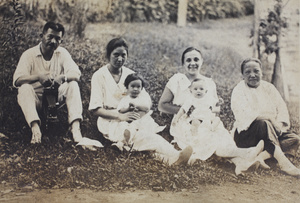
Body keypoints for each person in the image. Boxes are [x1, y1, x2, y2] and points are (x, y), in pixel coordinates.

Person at [158, 47, 264, 175]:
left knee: (220, 135)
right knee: (208, 137)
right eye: (188, 60)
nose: (192, 63)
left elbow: (213, 109)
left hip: (207, 119)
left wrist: (214, 109)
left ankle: (240, 163)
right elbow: (162, 105)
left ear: (202, 61)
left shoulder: (208, 83)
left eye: (196, 59)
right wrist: (188, 112)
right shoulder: (177, 80)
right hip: (187, 122)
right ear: (183, 63)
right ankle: (245, 153)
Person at [89, 37, 192, 165]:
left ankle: (171, 160)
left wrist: (137, 113)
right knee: (140, 136)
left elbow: (146, 100)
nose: (120, 59)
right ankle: (175, 154)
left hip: (135, 116)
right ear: (108, 55)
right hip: (111, 119)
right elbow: (95, 109)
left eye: (123, 55)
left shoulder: (130, 74)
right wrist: (120, 116)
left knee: (141, 135)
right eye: (116, 55)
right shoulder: (99, 76)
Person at [13, 22, 102, 148]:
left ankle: (75, 129)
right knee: (24, 88)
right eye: (50, 37)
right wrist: (38, 77)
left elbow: (76, 73)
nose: (53, 41)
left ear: (61, 40)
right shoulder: (29, 54)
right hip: (35, 100)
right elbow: (17, 80)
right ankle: (35, 129)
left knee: (73, 85)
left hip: (55, 98)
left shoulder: (62, 53)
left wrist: (63, 77)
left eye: (57, 39)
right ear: (41, 36)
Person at [231, 58, 300, 176]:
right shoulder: (239, 90)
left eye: (256, 71)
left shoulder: (269, 88)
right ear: (242, 75)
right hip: (247, 135)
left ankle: (261, 157)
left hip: (271, 132)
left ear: (261, 72)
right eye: (248, 72)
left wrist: (279, 125)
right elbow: (246, 115)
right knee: (264, 123)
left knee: (294, 139)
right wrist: (272, 120)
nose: (252, 75)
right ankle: (284, 163)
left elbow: (281, 109)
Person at [113, 73, 165, 150]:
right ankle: (123, 142)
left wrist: (137, 106)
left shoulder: (142, 98)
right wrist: (128, 109)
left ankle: (129, 143)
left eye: (138, 87)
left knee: (139, 128)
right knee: (124, 127)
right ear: (127, 87)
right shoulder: (125, 99)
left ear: (141, 88)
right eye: (133, 86)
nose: (135, 89)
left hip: (141, 119)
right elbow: (120, 110)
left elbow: (147, 108)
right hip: (129, 120)